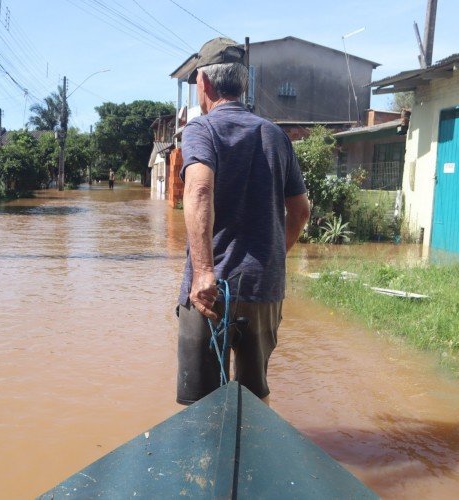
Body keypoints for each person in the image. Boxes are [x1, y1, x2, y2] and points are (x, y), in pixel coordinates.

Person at [176, 38, 311, 407]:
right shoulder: (276, 135)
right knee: (256, 397)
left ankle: (207, 464)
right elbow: (300, 211)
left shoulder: (201, 130)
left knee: (199, 404)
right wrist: (271, 257)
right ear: (242, 83)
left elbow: (199, 190)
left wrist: (204, 270)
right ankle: (254, 461)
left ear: (204, 83)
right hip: (263, 288)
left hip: (210, 291)